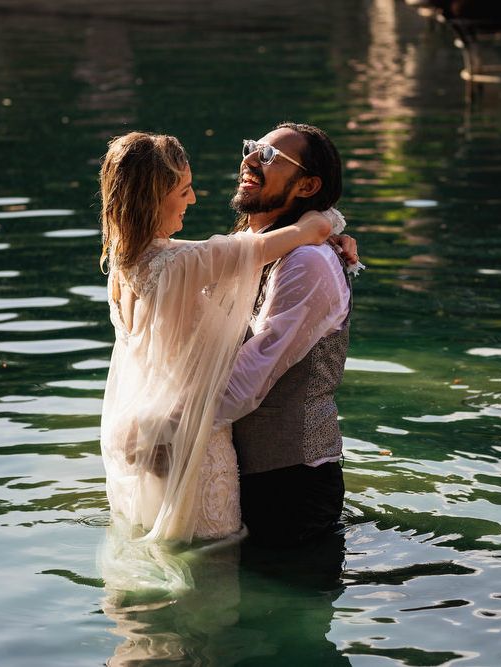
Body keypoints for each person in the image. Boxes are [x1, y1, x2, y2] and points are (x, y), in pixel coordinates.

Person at [99, 131, 337, 545]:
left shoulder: (128, 262)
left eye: (268, 155)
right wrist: (320, 225)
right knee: (213, 559)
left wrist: (325, 235)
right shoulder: (185, 262)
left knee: (160, 552)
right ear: (153, 200)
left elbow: (243, 248)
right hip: (189, 441)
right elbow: (253, 249)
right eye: (184, 191)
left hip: (141, 432)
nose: (193, 200)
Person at [217, 122, 357, 546]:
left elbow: (249, 379)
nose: (249, 160)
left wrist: (169, 429)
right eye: (252, 147)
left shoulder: (307, 262)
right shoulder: (246, 244)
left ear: (307, 186)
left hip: (290, 484)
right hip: (235, 468)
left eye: (269, 156)